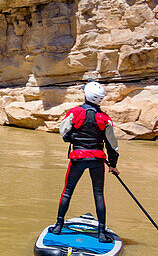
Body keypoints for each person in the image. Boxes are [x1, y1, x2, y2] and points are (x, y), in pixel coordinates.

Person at [51, 81, 120, 242]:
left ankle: (58, 226)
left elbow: (64, 132)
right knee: (98, 194)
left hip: (78, 157)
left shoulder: (75, 113)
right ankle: (101, 233)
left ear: (85, 95)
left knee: (67, 192)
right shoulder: (105, 118)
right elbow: (112, 145)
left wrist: (72, 138)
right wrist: (113, 165)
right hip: (97, 160)